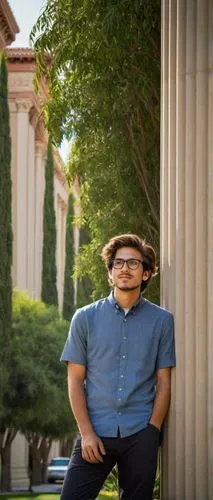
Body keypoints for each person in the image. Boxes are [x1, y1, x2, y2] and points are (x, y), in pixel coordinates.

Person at [60, 233, 176, 500]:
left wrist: (152, 430)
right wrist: (86, 433)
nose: (125, 268)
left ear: (146, 273)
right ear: (110, 273)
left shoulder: (162, 321)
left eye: (133, 263)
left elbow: (164, 381)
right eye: (118, 263)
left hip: (140, 433)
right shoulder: (84, 318)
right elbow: (75, 380)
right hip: (95, 433)